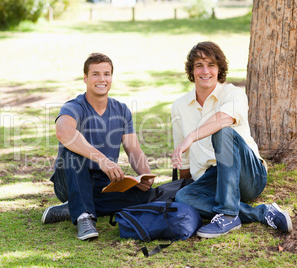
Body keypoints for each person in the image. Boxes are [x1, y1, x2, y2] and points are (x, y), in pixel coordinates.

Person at [171, 41, 293, 238]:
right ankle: (262, 213)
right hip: (213, 179)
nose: (205, 70)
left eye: (211, 65)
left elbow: (224, 119)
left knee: (222, 131)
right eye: (199, 65)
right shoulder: (179, 106)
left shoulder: (233, 93)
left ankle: (228, 214)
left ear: (219, 69)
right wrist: (187, 187)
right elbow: (183, 157)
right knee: (183, 197)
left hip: (248, 175)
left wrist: (192, 136)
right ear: (191, 70)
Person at [41, 53, 156, 241]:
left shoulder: (121, 109)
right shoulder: (74, 106)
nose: (102, 79)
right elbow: (63, 132)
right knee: (73, 148)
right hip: (71, 179)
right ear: (85, 78)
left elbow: (133, 150)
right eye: (95, 74)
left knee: (145, 196)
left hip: (103, 182)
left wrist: (145, 176)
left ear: (111, 77)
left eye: (107, 74)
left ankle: (75, 207)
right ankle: (83, 216)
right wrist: (102, 159)